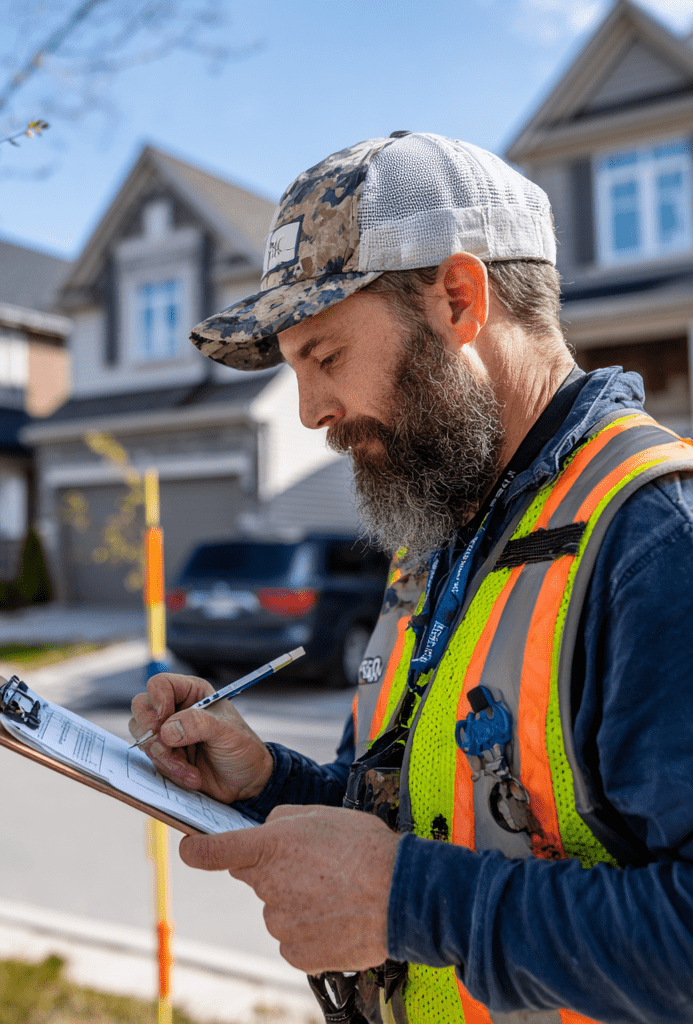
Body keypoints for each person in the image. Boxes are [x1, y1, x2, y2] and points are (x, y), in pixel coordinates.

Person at [128, 133, 693, 1024]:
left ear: (459, 300)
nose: (312, 412)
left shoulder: (655, 540)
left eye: (325, 356)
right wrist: (267, 782)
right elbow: (417, 811)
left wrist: (410, 905)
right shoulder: (441, 531)